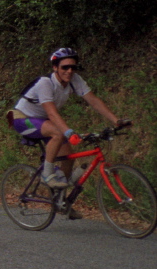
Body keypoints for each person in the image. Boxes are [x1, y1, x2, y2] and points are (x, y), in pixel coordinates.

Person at [9, 47, 129, 189]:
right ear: (55, 67)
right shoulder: (45, 83)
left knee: (68, 157)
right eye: (65, 67)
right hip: (23, 118)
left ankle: (61, 200)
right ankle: (47, 174)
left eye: (73, 67)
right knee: (58, 133)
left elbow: (93, 101)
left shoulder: (74, 80)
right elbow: (52, 113)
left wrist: (116, 120)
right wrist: (68, 132)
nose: (70, 71)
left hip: (43, 121)